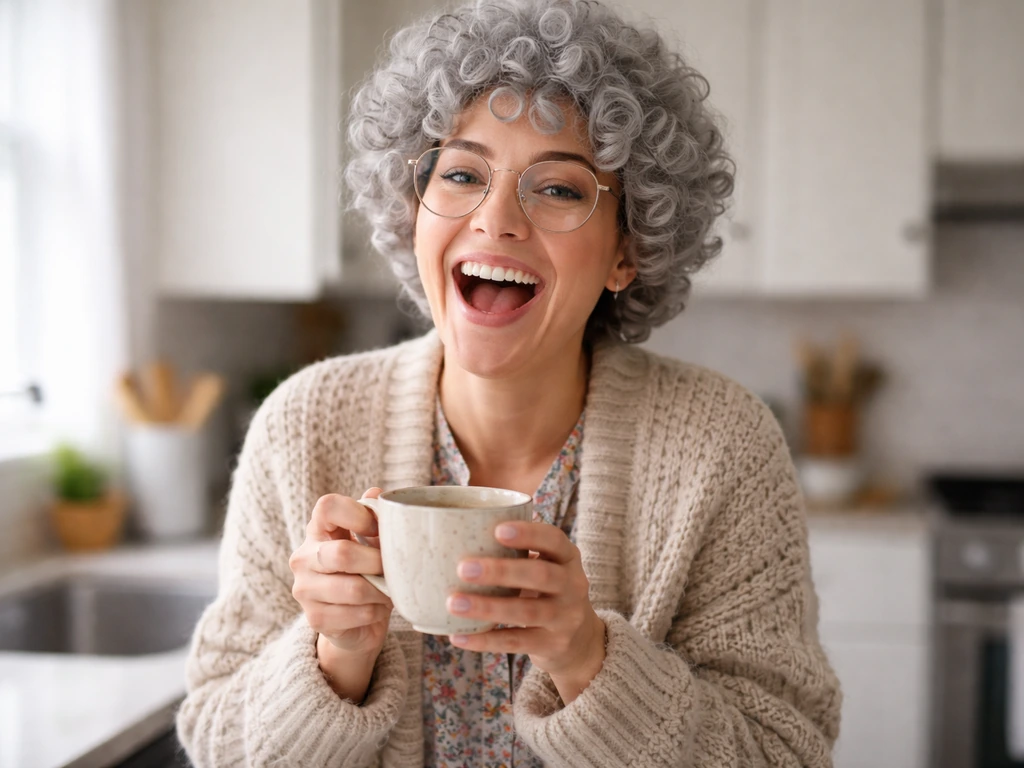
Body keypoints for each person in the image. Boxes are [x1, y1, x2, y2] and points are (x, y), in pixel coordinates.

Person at [176, 0, 842, 765]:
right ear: (410, 212)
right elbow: (217, 741)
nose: (497, 220)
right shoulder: (303, 427)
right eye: (461, 174)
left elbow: (785, 752)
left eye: (558, 189)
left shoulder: (722, 447)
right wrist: (334, 659)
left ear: (630, 250)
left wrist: (589, 660)